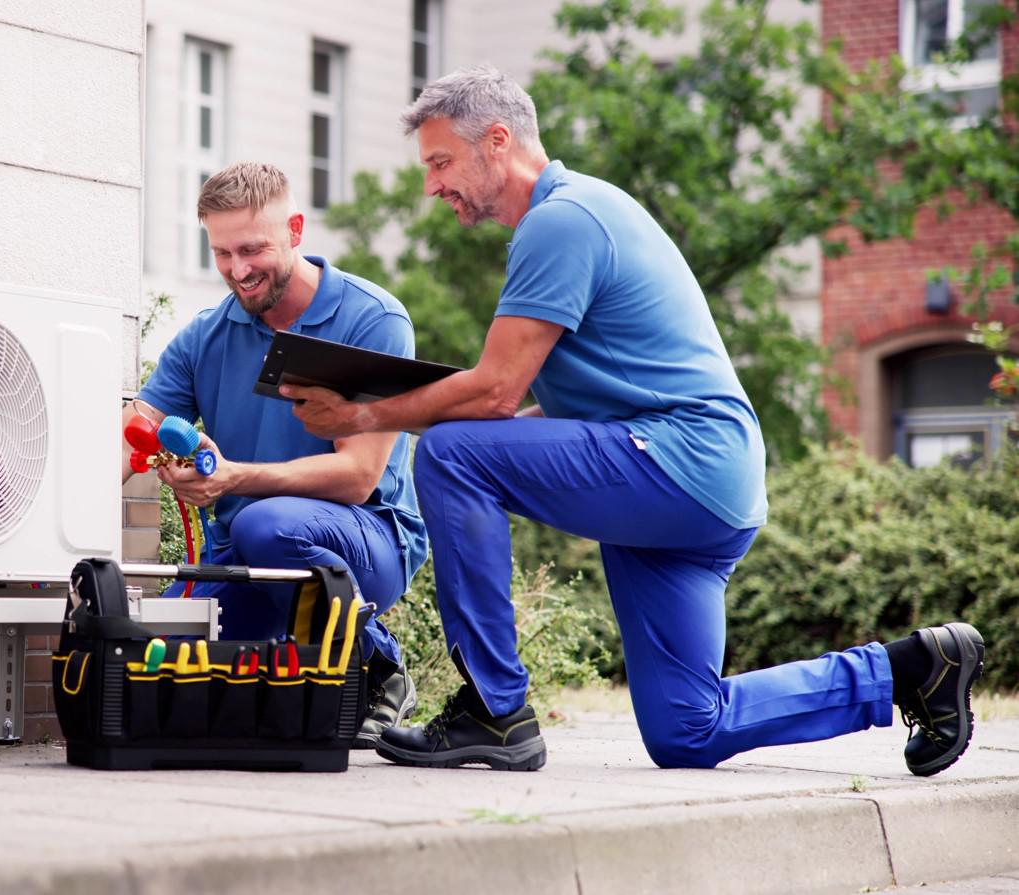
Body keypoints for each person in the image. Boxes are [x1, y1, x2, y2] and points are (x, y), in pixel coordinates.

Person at [286, 65, 985, 774]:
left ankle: (492, 708)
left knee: (451, 453)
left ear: (496, 141)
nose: (432, 185)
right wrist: (478, 431)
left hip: (677, 460)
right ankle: (909, 669)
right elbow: (534, 408)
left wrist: (364, 412)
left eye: (440, 163)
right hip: (699, 481)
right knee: (686, 728)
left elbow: (493, 394)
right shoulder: (581, 212)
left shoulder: (560, 221)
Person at [123, 161, 428, 747]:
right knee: (147, 664)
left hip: (366, 541)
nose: (238, 270)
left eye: (252, 249)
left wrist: (232, 478)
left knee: (266, 521)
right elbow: (134, 427)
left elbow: (359, 477)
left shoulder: (371, 320)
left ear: (294, 229)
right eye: (222, 253)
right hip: (244, 554)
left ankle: (377, 663)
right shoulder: (206, 336)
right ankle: (306, 671)